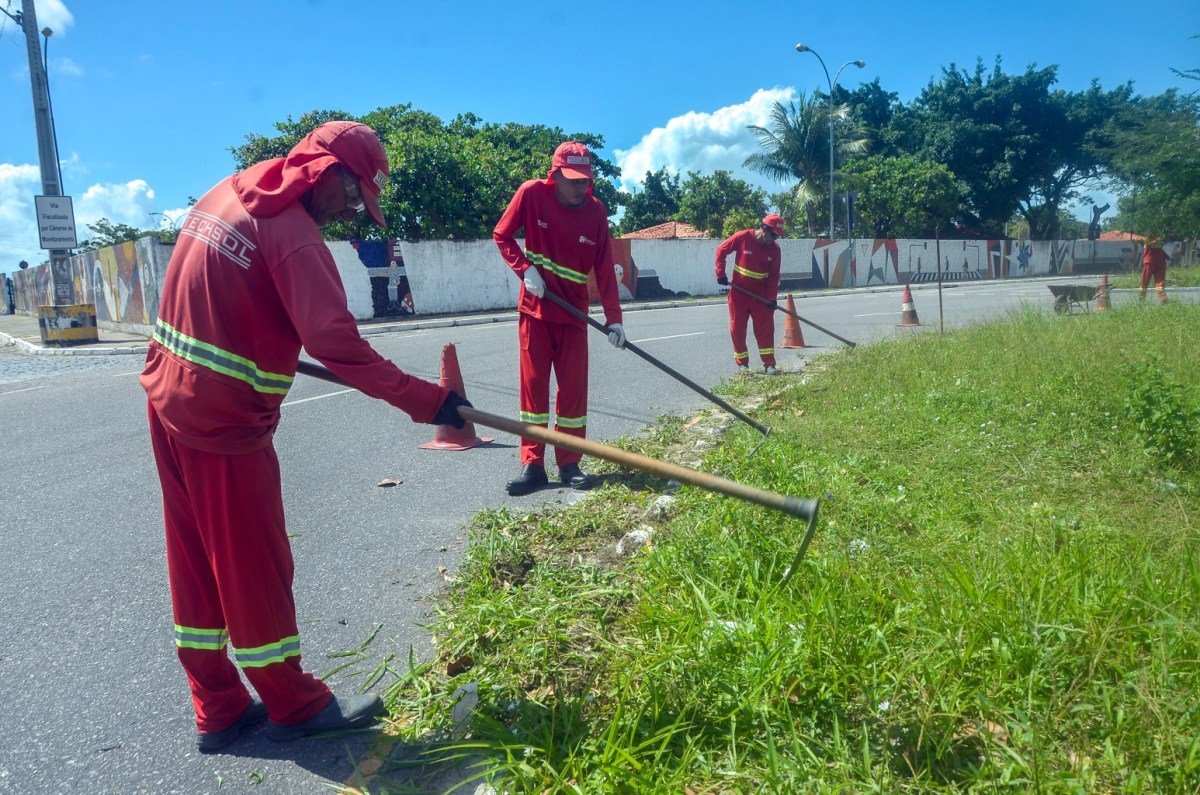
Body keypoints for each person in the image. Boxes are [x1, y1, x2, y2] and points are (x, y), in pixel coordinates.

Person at [140, 121, 470, 753]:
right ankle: (292, 703)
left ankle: (218, 707)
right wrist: (432, 401)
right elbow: (335, 342)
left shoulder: (230, 191)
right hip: (222, 420)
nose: (351, 211)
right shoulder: (295, 237)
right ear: (329, 173)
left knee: (195, 563)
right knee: (252, 563)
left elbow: (232, 293)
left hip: (167, 393)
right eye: (353, 195)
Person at [493, 141, 625, 496]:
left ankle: (569, 463)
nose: (579, 187)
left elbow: (604, 269)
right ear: (555, 175)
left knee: (572, 395)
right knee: (533, 391)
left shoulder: (596, 212)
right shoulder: (532, 194)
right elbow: (502, 235)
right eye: (571, 180)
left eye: (584, 180)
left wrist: (614, 319)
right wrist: (525, 270)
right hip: (536, 312)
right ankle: (532, 465)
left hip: (573, 316)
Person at [715, 213, 785, 374]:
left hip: (760, 295)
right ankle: (743, 365)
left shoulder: (774, 250)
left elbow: (774, 276)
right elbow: (721, 251)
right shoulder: (743, 237)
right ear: (764, 228)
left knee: (765, 329)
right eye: (773, 235)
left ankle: (769, 364)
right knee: (737, 328)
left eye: (777, 237)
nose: (774, 239)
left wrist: (771, 298)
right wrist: (720, 274)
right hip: (738, 293)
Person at [1140, 237, 1169, 302]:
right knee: (1157, 281)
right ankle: (1163, 298)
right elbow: (1151, 244)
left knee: (1146, 281)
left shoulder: (1149, 235)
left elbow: (1151, 244)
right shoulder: (1157, 236)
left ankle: (1142, 298)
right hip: (1156, 260)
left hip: (1152, 261)